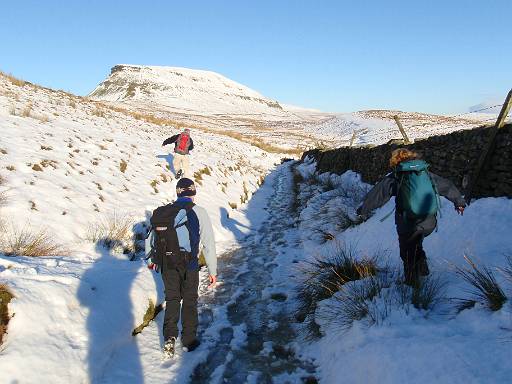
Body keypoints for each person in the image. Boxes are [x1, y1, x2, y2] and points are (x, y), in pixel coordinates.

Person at [356, 148, 465, 286]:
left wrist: (363, 209)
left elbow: (379, 194)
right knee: (416, 242)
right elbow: (447, 186)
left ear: (395, 160)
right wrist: (459, 202)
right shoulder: (424, 172)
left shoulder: (396, 176)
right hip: (429, 221)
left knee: (407, 253)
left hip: (408, 221)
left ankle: (412, 285)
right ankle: (423, 270)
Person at [146, 178, 217, 358]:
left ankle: (169, 338)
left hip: (167, 265)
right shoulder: (199, 212)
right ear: (193, 193)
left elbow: (150, 239)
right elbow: (208, 243)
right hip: (190, 265)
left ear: (178, 193)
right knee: (190, 301)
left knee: (172, 299)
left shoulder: (165, 212)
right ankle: (189, 341)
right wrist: (212, 271)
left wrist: (151, 261)